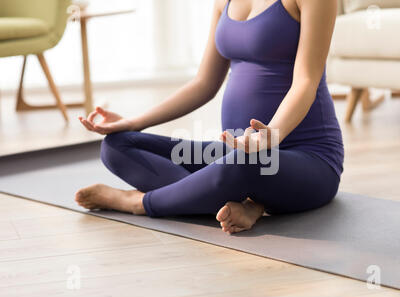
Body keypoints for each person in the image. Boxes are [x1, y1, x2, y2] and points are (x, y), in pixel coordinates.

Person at [76, 0, 343, 235]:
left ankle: (139, 203)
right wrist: (134, 122)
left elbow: (306, 81)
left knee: (243, 162)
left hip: (309, 159)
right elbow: (204, 83)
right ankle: (250, 205)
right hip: (238, 153)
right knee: (117, 145)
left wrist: (271, 134)